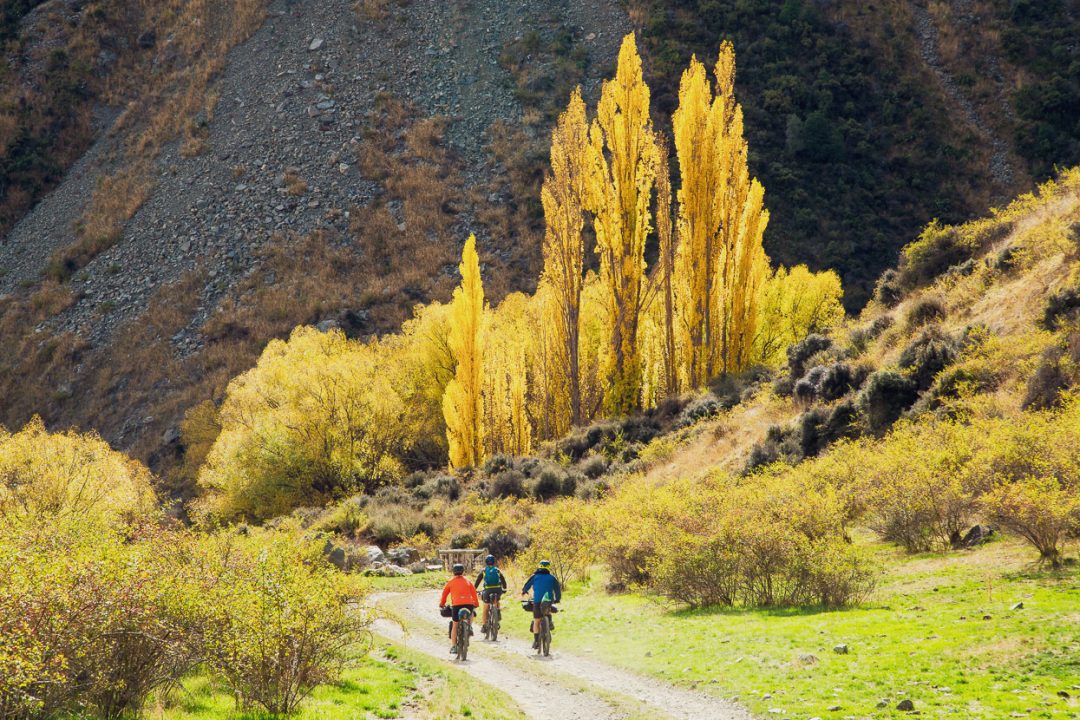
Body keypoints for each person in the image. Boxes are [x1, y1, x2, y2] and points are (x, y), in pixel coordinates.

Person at [439, 562, 479, 654]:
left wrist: (442, 604)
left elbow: (444, 594)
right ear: (463, 571)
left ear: (453, 572)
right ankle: (469, 626)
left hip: (456, 605)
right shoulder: (468, 581)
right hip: (468, 604)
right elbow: (474, 593)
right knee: (472, 612)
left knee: (455, 625)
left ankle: (453, 646)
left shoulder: (450, 582)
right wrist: (476, 604)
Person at [521, 559, 561, 650]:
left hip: (537, 601)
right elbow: (557, 589)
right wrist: (557, 599)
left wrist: (524, 591)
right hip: (548, 601)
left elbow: (527, 585)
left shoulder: (535, 576)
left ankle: (536, 641)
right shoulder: (552, 577)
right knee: (548, 610)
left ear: (539, 566)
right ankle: (549, 622)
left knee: (537, 620)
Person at [474, 554, 508, 633]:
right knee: (497, 601)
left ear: (486, 562)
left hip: (488, 590)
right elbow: (503, 580)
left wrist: (474, 589)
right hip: (498, 589)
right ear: (494, 562)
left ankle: (484, 625)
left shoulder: (484, 570)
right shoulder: (497, 570)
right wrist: (504, 588)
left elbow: (478, 581)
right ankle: (497, 613)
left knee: (485, 607)